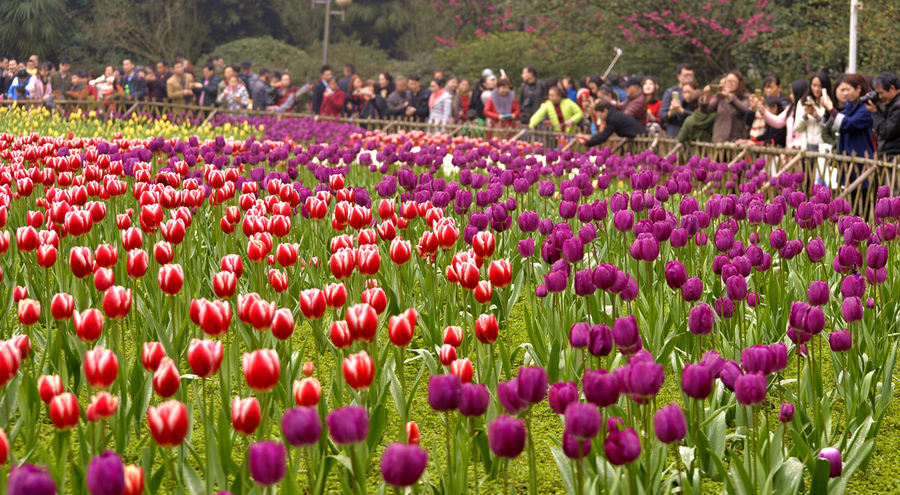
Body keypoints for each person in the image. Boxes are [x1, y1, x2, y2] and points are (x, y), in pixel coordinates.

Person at [749, 80, 809, 149]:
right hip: (790, 149)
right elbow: (778, 121)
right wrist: (762, 111)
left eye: (792, 93)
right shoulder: (791, 108)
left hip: (802, 148)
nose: (790, 96)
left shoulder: (807, 108)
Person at [702, 71, 750, 142]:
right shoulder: (720, 97)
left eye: (733, 81)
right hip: (719, 138)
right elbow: (706, 110)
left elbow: (744, 110)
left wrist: (730, 97)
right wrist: (706, 96)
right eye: (728, 81)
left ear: (739, 83)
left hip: (737, 139)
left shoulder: (745, 97)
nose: (730, 84)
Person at [580, 100, 648, 147]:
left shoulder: (613, 119)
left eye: (599, 114)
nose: (599, 116)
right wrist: (591, 138)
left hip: (643, 140)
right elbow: (603, 133)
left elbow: (604, 136)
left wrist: (586, 143)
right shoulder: (614, 114)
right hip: (638, 137)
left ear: (605, 111)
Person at [868, 72, 900, 160]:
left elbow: (886, 131)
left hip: (894, 156)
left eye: (881, 93)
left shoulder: (897, 106)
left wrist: (874, 111)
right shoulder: (892, 104)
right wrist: (876, 108)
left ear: (892, 88)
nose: (880, 97)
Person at [660, 63, 695, 137]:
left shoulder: (697, 93)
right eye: (686, 75)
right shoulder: (670, 92)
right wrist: (671, 112)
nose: (689, 78)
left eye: (691, 75)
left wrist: (682, 111)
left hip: (692, 132)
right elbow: (662, 115)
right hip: (674, 131)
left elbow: (699, 116)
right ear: (678, 76)